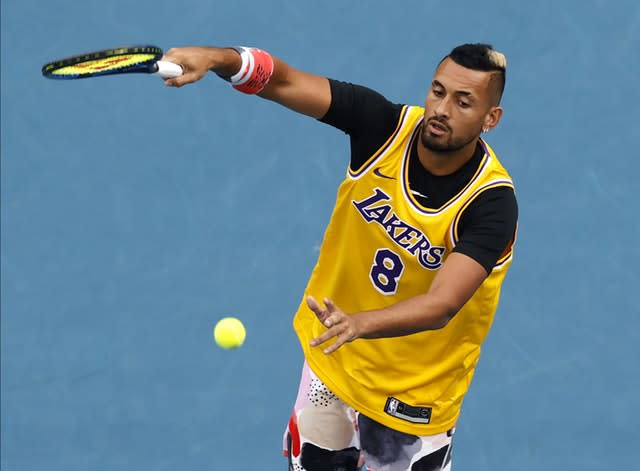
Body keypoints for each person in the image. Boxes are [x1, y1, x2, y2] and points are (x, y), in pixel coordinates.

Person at [163, 43, 518, 471]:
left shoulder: (491, 204)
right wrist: (218, 59)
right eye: (438, 91)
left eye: (464, 102)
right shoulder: (382, 128)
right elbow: (285, 81)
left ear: (490, 119)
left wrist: (360, 324)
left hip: (413, 396)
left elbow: (442, 304)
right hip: (333, 364)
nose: (441, 109)